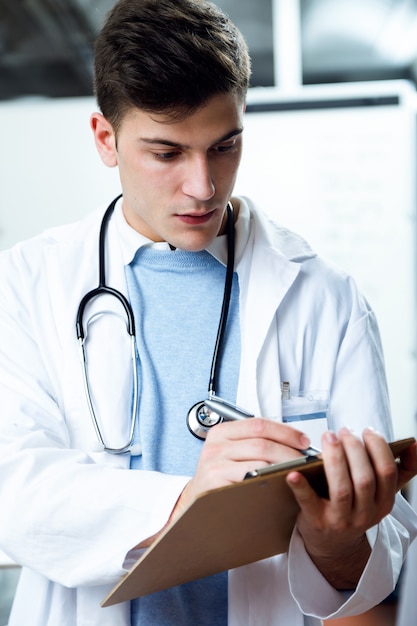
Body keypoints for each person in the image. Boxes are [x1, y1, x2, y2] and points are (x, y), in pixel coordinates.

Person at [0, 1, 416, 625]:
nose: (203, 186)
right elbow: (16, 493)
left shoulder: (324, 298)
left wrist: (339, 540)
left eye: (225, 146)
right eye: (167, 154)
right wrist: (186, 502)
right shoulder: (26, 285)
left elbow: (374, 564)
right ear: (105, 139)